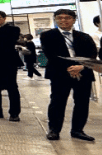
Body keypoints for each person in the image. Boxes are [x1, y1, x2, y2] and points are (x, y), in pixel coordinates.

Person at [40, 9, 97, 141]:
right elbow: (51, 55)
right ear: (55, 20)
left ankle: (77, 130)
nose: (63, 20)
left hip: (83, 73)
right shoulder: (47, 35)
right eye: (59, 18)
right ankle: (54, 130)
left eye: (67, 18)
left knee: (82, 102)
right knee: (57, 102)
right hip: (59, 73)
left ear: (73, 20)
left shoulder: (84, 37)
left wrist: (81, 67)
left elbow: (92, 54)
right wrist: (70, 68)